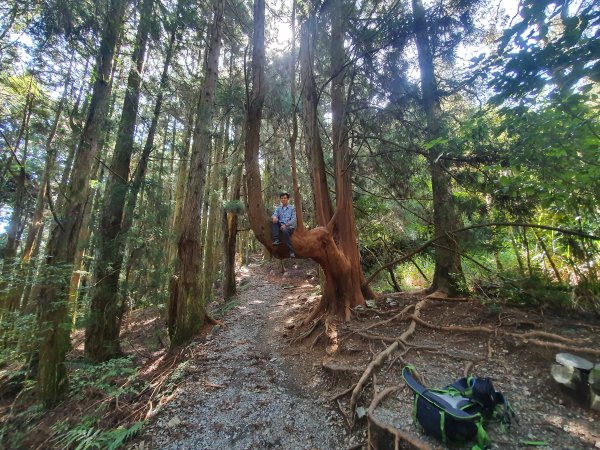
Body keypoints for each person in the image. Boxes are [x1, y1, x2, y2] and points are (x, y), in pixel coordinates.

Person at [271, 192, 296, 258]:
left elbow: (293, 219)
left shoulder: (292, 208)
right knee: (274, 221)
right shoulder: (278, 208)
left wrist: (286, 225)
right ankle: (276, 239)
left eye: (285, 198)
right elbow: (274, 214)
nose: (283, 199)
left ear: (288, 199)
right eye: (282, 198)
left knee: (285, 230)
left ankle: (291, 251)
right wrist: (274, 217)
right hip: (280, 225)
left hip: (289, 227)